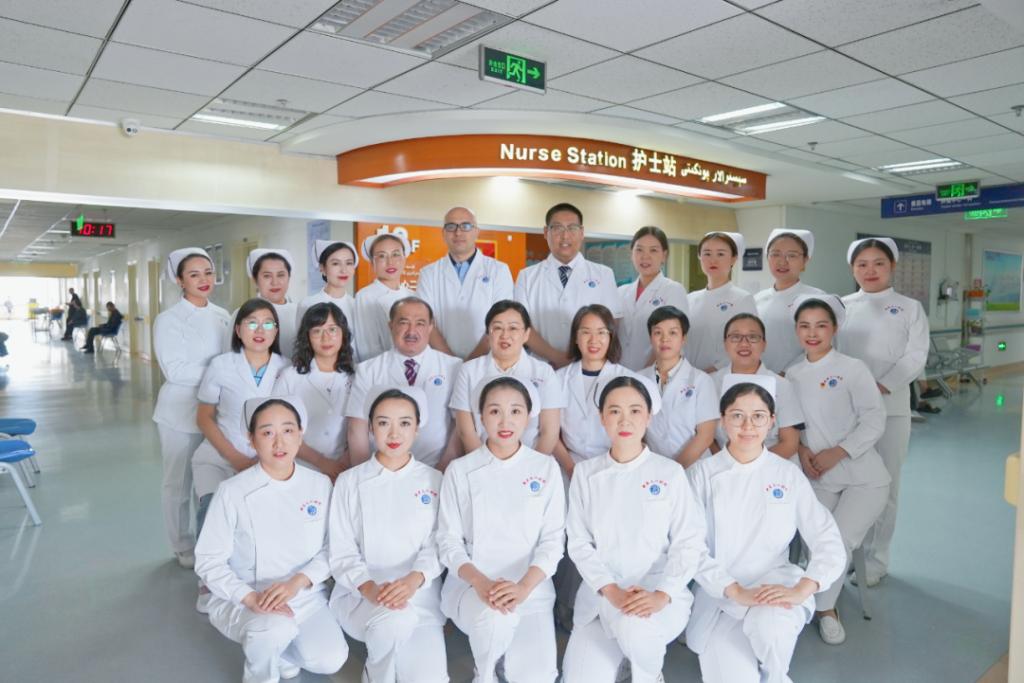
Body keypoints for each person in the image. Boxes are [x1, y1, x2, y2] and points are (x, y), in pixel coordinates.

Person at [687, 377, 845, 683]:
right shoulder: (701, 475)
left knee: (770, 631)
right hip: (721, 593)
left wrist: (804, 587)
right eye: (737, 416)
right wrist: (734, 590)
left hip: (775, 585)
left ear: (772, 421)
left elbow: (826, 538)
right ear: (723, 420)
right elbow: (689, 548)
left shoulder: (787, 475)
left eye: (758, 416)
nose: (748, 426)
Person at [561, 376, 705, 683]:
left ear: (649, 416)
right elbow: (579, 543)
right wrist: (610, 589)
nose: (624, 420)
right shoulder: (586, 474)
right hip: (603, 597)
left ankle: (648, 673)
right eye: (614, 411)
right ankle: (630, 658)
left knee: (634, 627)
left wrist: (662, 594)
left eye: (635, 411)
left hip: (659, 595)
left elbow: (688, 542)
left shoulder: (669, 473)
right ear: (602, 417)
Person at [194, 396, 347, 683]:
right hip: (245, 596)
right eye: (267, 433)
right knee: (274, 629)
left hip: (303, 595)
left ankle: (278, 652)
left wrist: (296, 583)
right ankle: (259, 673)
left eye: (288, 430)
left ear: (300, 435)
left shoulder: (320, 485)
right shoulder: (232, 491)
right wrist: (249, 597)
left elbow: (334, 547)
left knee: (330, 660)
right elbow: (208, 561)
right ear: (251, 440)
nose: (279, 442)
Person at [438, 376, 565, 683]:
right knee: (494, 623)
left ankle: (499, 657)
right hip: (472, 587)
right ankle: (484, 673)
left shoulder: (545, 468)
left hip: (531, 588)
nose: (505, 421)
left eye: (515, 411)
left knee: (537, 678)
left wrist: (523, 587)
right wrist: (481, 582)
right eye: (495, 411)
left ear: (529, 416)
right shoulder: (461, 470)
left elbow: (552, 540)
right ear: (481, 417)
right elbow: (448, 541)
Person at [786, 294, 890, 645]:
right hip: (818, 475)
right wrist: (802, 451)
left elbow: (874, 419)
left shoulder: (852, 368)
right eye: (804, 326)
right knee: (817, 539)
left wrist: (838, 452)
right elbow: (791, 426)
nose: (812, 333)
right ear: (796, 331)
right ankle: (815, 596)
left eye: (821, 325)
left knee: (838, 539)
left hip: (864, 479)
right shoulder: (792, 375)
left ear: (834, 329)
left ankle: (825, 610)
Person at [329, 387, 449, 683]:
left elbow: (440, 543)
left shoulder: (434, 480)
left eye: (405, 423)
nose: (394, 433)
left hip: (419, 595)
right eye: (383, 423)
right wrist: (369, 587)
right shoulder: (349, 482)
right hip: (361, 595)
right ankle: (377, 674)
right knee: (393, 624)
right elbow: (342, 550)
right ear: (371, 428)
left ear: (417, 428)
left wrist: (413, 580)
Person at [840, 238, 929, 586]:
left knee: (886, 486)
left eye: (878, 263)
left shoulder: (909, 308)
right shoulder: (842, 306)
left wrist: (880, 386)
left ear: (892, 266)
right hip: (846, 412)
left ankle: (877, 559)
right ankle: (847, 553)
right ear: (852, 269)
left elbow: (915, 356)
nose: (870, 270)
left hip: (890, 410)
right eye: (862, 264)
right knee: (848, 484)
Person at [153, 248, 232, 569]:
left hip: (217, 411)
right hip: (179, 413)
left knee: (214, 479)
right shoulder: (168, 319)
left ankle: (213, 544)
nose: (203, 280)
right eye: (194, 274)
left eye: (208, 273)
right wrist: (221, 372)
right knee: (178, 483)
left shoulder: (223, 315)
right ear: (179, 280)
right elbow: (175, 370)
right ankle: (182, 544)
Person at [193, 299, 289, 540]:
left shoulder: (286, 369)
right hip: (218, 458)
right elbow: (204, 418)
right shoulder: (221, 365)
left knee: (259, 529)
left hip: (267, 462)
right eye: (252, 323)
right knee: (212, 513)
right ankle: (206, 565)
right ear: (238, 330)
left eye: (268, 324)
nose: (260, 330)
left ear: (276, 331)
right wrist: (235, 458)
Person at [346, 297, 462, 470]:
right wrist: (365, 473)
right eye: (404, 322)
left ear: (431, 327)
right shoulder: (368, 370)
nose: (411, 331)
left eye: (420, 323)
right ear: (391, 325)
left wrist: (443, 469)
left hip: (435, 467)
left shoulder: (454, 367)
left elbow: (460, 426)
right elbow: (357, 429)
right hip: (380, 469)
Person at [450, 300, 564, 459]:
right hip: (481, 460)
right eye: (497, 328)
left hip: (532, 461)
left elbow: (549, 433)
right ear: (488, 334)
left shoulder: (544, 372)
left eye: (513, 328)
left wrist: (532, 466)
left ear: (526, 334)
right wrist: (485, 465)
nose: (505, 335)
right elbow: (465, 431)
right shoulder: (468, 370)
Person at [513, 203, 622, 367]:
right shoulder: (527, 276)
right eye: (557, 228)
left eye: (572, 228)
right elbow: (522, 326)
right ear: (546, 232)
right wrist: (556, 357)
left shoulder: (604, 274)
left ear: (582, 233)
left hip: (589, 365)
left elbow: (612, 323)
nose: (565, 236)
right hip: (541, 366)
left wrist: (588, 356)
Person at [553, 303, 643, 476]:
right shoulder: (558, 379)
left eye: (601, 332)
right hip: (570, 464)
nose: (593, 340)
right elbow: (551, 432)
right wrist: (571, 470)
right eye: (586, 332)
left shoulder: (628, 380)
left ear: (611, 337)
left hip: (617, 465)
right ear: (575, 337)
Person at [417, 206, 514, 360]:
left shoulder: (499, 270)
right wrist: (450, 362)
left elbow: (501, 322)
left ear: (476, 231)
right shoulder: (428, 273)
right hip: (441, 362)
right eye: (451, 226)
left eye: (466, 226)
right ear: (443, 233)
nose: (458, 232)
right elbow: (424, 322)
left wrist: (471, 362)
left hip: (487, 360)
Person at [275, 302, 354, 482]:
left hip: (345, 470)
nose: (326, 338)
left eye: (332, 329)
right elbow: (279, 429)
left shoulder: (357, 377)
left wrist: (342, 464)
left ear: (343, 333)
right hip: (301, 469)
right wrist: (322, 463)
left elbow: (364, 429)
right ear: (307, 337)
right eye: (317, 331)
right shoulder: (290, 377)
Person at [709, 313, 803, 460]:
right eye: (735, 337)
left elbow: (790, 443)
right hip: (723, 465)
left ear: (764, 344)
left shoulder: (782, 385)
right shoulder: (710, 383)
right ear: (725, 344)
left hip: (772, 466)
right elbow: (706, 437)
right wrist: (726, 464)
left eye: (752, 337)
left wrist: (750, 468)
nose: (744, 343)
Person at [638, 306, 718, 468]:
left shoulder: (701, 381)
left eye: (673, 333)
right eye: (658, 332)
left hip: (694, 468)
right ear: (650, 337)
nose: (665, 339)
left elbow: (706, 436)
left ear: (683, 338)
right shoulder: (639, 380)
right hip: (654, 468)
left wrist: (675, 472)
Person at [617, 226, 689, 371]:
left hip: (655, 374)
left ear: (664, 255)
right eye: (639, 250)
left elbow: (672, 340)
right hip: (620, 371)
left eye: (653, 250)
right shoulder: (621, 292)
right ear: (632, 254)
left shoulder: (673, 290)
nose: (645, 257)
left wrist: (646, 373)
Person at [686, 231, 757, 373]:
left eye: (720, 254)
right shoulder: (690, 299)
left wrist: (711, 371)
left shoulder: (742, 299)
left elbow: (748, 344)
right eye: (707, 253)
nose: (713, 260)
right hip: (689, 376)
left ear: (733, 259)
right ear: (699, 257)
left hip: (722, 377)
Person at [755, 229, 823, 374]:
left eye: (791, 255)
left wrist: (786, 373)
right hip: (758, 376)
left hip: (800, 377)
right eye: (775, 254)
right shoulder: (757, 299)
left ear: (805, 261)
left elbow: (821, 344)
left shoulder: (816, 298)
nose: (782, 261)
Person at [354, 231, 414, 362]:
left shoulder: (413, 295)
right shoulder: (365, 296)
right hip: (381, 369)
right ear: (372, 263)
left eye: (396, 254)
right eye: (382, 256)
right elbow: (367, 347)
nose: (390, 262)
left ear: (404, 259)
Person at [296, 239, 359, 345]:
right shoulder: (308, 304)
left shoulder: (356, 306)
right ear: (322, 268)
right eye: (335, 263)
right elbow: (301, 344)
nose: (344, 270)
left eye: (349, 263)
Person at [239, 249, 299, 359]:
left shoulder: (300, 311)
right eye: (267, 276)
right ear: (255, 280)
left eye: (281, 275)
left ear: (289, 277)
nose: (275, 282)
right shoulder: (242, 313)